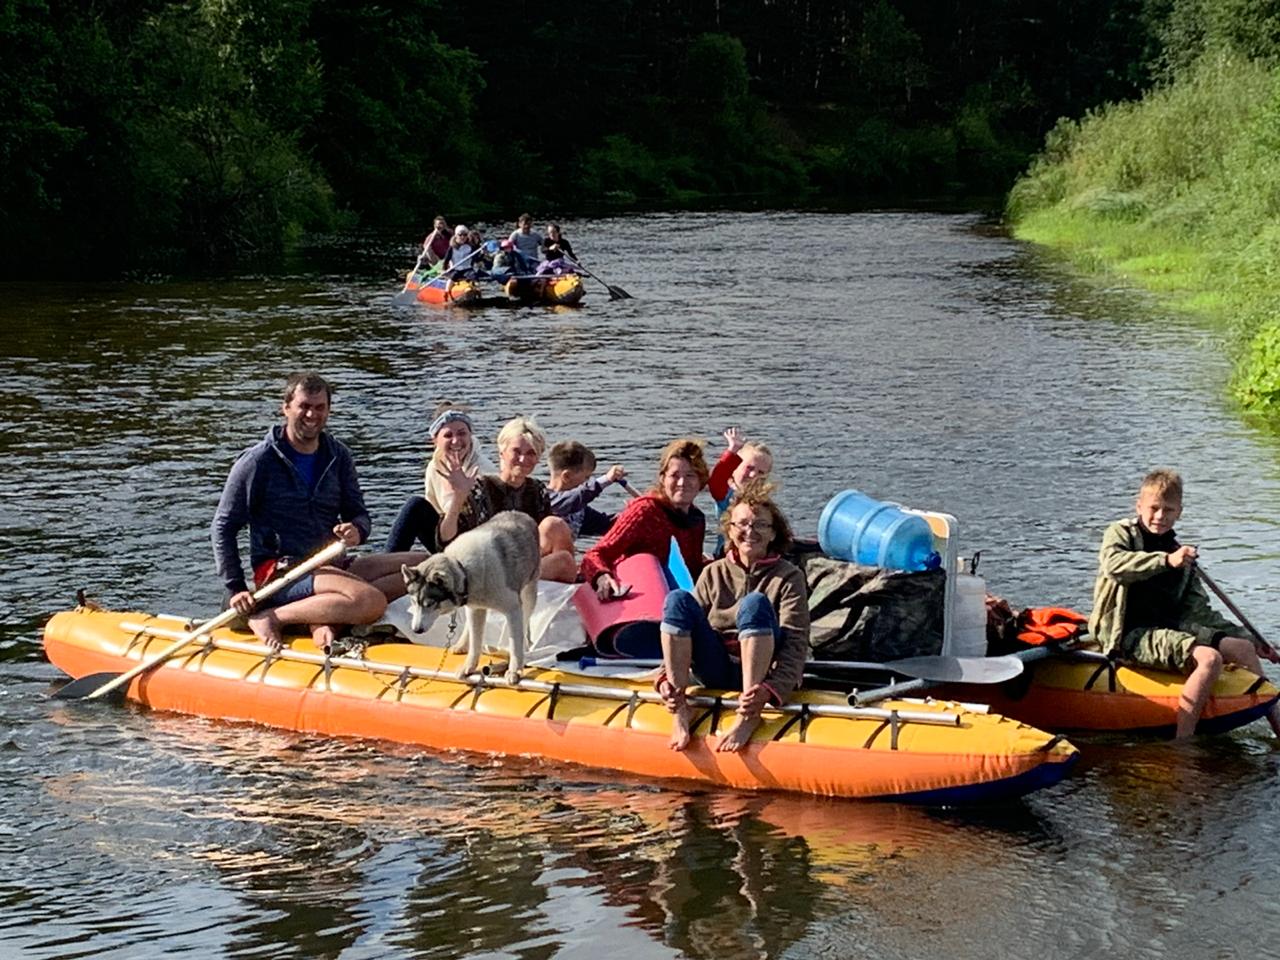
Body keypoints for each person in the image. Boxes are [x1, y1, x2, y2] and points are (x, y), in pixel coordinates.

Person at [212, 373, 424, 652]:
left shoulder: (338, 456)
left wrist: (356, 530)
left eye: (319, 407)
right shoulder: (257, 462)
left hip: (331, 563)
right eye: (304, 406)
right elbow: (223, 526)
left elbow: (359, 515)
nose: (312, 414)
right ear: (286, 407)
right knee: (371, 601)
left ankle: (327, 617)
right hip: (284, 571)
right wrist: (235, 586)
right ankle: (271, 616)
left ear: (328, 410)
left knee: (424, 568)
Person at [1088, 468, 1280, 738]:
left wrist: (1252, 639)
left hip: (1170, 626)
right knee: (1210, 658)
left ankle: (1278, 729)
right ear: (1139, 505)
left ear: (1179, 512)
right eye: (1153, 508)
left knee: (1243, 648)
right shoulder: (1122, 534)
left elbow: (1201, 613)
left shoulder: (1181, 554)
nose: (1159, 516)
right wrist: (1165, 560)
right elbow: (1114, 565)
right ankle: (1184, 743)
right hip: (1129, 632)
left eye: (1168, 510)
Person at [656, 482, 810, 752]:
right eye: (742, 525)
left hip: (761, 673)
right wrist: (663, 679)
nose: (750, 532)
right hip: (715, 666)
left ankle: (748, 715)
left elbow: (796, 641)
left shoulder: (789, 576)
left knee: (754, 604)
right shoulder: (714, 572)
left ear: (773, 534)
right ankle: (680, 707)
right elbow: (684, 628)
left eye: (760, 525)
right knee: (677, 600)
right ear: (730, 529)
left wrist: (773, 689)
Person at [436, 415, 577, 582]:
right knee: (565, 562)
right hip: (484, 570)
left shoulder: (537, 490)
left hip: (518, 566)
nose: (523, 459)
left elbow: (543, 538)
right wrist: (458, 498)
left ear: (538, 458)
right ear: (502, 452)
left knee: (555, 526)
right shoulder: (479, 488)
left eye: (530, 453)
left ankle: (559, 590)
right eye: (516, 451)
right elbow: (445, 541)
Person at [580, 438, 709, 603]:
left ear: (701, 481)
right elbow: (594, 555)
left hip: (678, 595)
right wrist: (601, 576)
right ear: (663, 479)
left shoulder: (696, 519)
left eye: (690, 475)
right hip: (643, 597)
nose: (682, 483)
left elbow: (693, 571)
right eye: (674, 475)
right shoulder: (645, 512)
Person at [384, 404, 496, 554]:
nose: (456, 441)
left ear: (471, 436)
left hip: (477, 545)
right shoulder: (434, 467)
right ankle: (387, 560)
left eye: (462, 434)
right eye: (448, 435)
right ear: (435, 441)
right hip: (446, 536)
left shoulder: (484, 471)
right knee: (416, 506)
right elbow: (434, 510)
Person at [707, 427, 774, 554]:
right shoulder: (726, 494)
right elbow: (717, 479)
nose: (753, 475)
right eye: (749, 468)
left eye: (761, 473)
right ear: (735, 467)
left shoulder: (765, 501)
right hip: (728, 554)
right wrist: (732, 451)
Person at [546, 440, 627, 538]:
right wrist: (606, 480)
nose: (587, 481)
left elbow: (607, 525)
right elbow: (573, 499)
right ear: (566, 476)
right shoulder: (543, 500)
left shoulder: (579, 510)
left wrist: (632, 513)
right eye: (586, 477)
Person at [441, 225, 477, 299]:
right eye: (460, 235)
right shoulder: (452, 247)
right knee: (453, 276)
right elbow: (446, 259)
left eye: (465, 235)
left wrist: (482, 254)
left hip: (467, 268)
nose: (463, 237)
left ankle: (474, 289)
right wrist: (444, 269)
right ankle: (447, 292)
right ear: (456, 235)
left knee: (473, 275)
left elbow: (475, 258)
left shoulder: (470, 246)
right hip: (456, 268)